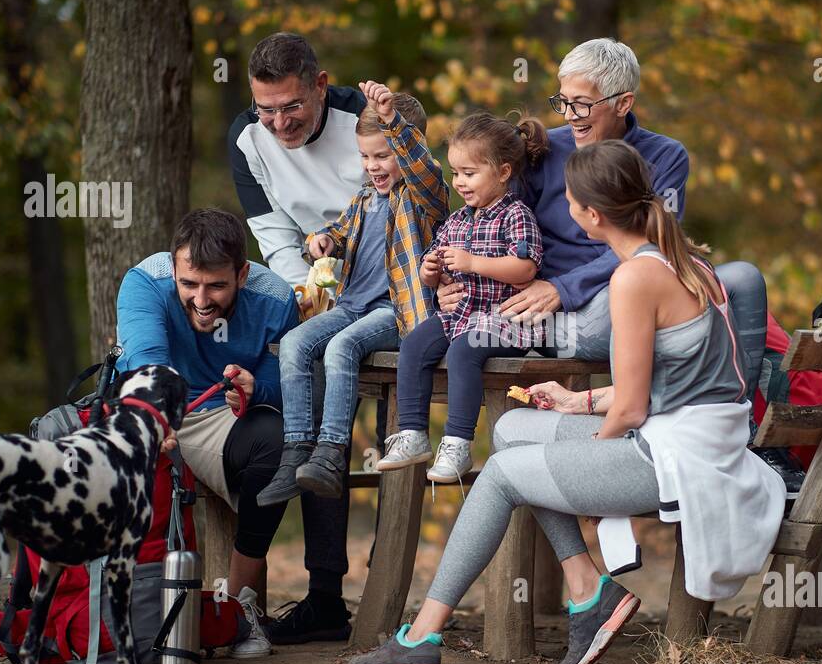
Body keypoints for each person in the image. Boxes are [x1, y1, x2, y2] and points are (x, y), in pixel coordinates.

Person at [349, 141, 785, 664]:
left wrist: (584, 467)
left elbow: (628, 408)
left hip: (681, 459)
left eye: (570, 200)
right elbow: (656, 388)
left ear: (592, 214)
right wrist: (578, 402)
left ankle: (421, 637)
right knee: (511, 429)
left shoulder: (634, 279)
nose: (565, 208)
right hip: (687, 434)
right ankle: (587, 589)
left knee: (508, 471)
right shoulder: (683, 259)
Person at [226, 31, 363, 643]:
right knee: (291, 393)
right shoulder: (247, 142)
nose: (280, 122)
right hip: (311, 284)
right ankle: (322, 600)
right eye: (266, 109)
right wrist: (309, 293)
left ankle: (342, 592)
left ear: (320, 85)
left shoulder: (366, 116)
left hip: (388, 278)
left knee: (337, 377)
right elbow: (274, 236)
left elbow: (416, 204)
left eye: (292, 106)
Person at [115, 208, 299, 659]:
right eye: (189, 284)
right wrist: (157, 422)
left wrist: (258, 388)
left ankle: (238, 608)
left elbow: (292, 381)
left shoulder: (275, 296)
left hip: (224, 416)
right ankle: (83, 607)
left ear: (242, 272)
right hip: (153, 407)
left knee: (280, 445)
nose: (201, 299)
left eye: (216, 285)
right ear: (174, 268)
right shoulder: (145, 280)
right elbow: (147, 361)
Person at [435, 38, 689, 362]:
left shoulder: (666, 156)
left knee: (734, 284)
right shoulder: (546, 149)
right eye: (563, 101)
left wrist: (564, 288)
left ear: (623, 104)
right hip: (543, 307)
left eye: (581, 104)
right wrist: (450, 283)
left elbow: (656, 242)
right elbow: (491, 224)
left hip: (620, 289)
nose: (569, 115)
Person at [257, 82, 448, 504]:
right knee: (294, 343)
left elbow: (424, 169)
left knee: (340, 347)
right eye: (365, 157)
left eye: (383, 156)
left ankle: (330, 451)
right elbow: (337, 233)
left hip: (396, 312)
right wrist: (320, 242)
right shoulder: (364, 199)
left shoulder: (422, 197)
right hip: (353, 305)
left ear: (406, 147)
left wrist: (393, 119)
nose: (373, 166)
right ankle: (297, 449)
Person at [375, 112, 548, 484]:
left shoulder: (515, 215)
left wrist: (473, 262)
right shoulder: (456, 220)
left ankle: (457, 443)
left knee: (464, 351)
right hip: (461, 314)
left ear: (502, 173)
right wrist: (430, 272)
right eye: (455, 174)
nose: (460, 183)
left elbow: (525, 269)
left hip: (505, 319)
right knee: (416, 342)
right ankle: (413, 434)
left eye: (469, 173)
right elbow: (435, 267)